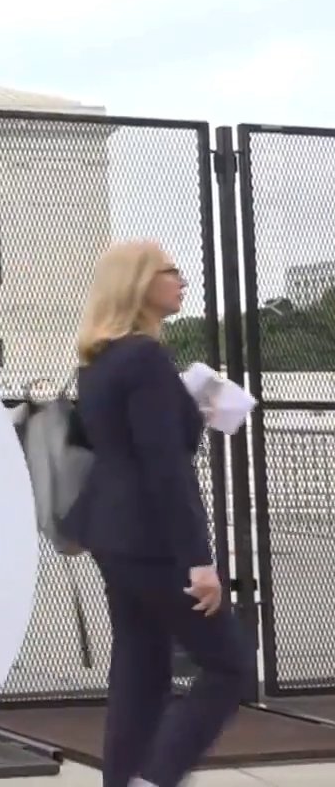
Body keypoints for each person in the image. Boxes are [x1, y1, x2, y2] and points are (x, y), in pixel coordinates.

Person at [61, 240, 251, 787]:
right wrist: (200, 561)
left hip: (110, 534)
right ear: (140, 283)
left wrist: (184, 409)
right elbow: (165, 467)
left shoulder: (99, 362)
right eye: (171, 271)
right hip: (152, 539)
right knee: (230, 666)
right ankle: (157, 776)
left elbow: (124, 443)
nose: (181, 279)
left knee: (140, 670)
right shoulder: (145, 358)